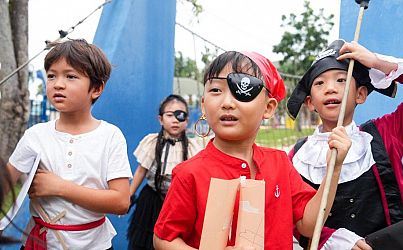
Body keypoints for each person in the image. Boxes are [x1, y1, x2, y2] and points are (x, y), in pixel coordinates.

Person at [151, 50, 362, 250]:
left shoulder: (280, 163)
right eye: (216, 90)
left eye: (242, 89)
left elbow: (307, 224)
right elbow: (163, 239)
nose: (227, 102)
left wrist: (333, 170)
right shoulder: (189, 173)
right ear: (204, 105)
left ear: (268, 108)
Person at [286, 39, 403, 248]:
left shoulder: (385, 133)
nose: (330, 88)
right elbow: (293, 216)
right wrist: (332, 239)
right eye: (319, 83)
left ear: (361, 94)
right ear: (310, 102)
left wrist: (379, 63)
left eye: (341, 80)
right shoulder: (297, 156)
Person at [6, 39, 132, 249]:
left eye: (70, 76)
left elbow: (120, 202)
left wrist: (60, 187)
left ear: (96, 88)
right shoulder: (35, 136)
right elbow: (5, 184)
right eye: (51, 76)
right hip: (40, 243)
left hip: (95, 245)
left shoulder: (110, 136)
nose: (58, 84)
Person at [127, 94, 201, 250]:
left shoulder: (194, 147)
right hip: (152, 201)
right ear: (160, 119)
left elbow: (198, 179)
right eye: (169, 115)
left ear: (186, 121)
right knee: (146, 242)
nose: (175, 120)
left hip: (180, 204)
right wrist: (128, 195)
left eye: (180, 115)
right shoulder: (152, 142)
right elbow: (141, 171)